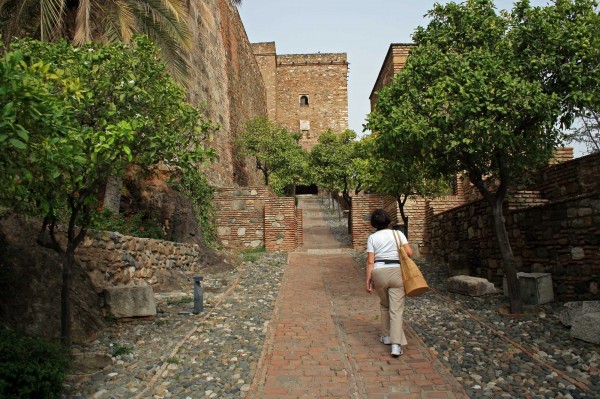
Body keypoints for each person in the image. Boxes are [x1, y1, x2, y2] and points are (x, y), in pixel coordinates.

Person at [365, 209, 413, 357]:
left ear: (374, 224)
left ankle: (386, 337)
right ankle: (396, 345)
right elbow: (410, 253)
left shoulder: (372, 238)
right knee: (396, 310)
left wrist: (368, 280)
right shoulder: (398, 234)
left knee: (385, 305)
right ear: (388, 221)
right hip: (396, 271)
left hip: (379, 272)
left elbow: (370, 261)